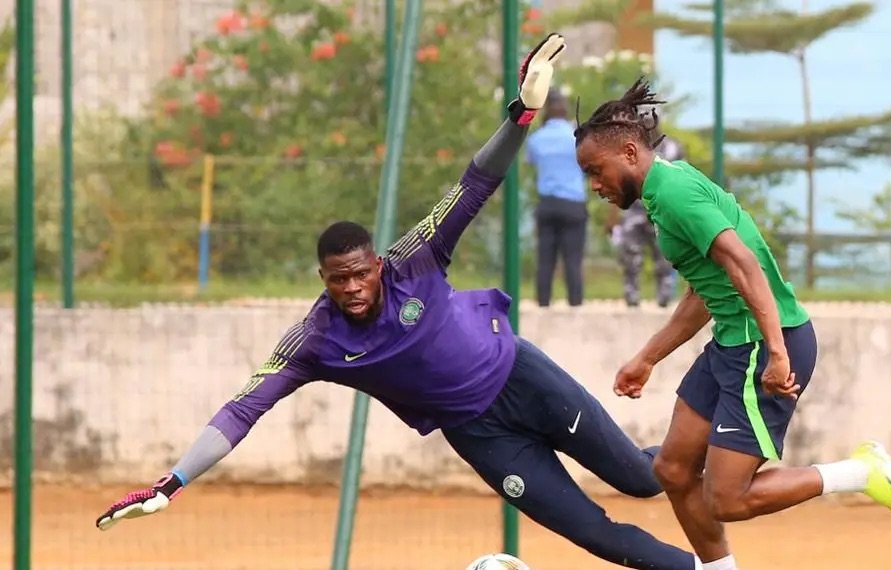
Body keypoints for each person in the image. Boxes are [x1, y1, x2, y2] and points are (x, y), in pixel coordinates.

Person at [95, 36, 700, 570]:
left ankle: (726, 453)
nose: (352, 288)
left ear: (376, 266)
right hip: (480, 436)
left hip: (523, 376)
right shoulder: (315, 341)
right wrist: (172, 482)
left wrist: (521, 118)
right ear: (323, 280)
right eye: (338, 281)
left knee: (643, 479)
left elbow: (474, 184)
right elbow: (240, 410)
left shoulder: (415, 258)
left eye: (359, 275)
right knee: (593, 534)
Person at [574, 78, 891, 570]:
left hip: (762, 346)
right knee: (672, 468)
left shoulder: (673, 194)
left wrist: (777, 352)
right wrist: (648, 357)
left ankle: (860, 473)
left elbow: (745, 265)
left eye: (596, 170)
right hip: (734, 344)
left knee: (727, 499)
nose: (594, 185)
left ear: (629, 152)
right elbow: (707, 290)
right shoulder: (661, 192)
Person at [526, 86, 588, 307]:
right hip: (573, 204)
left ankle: (543, 304)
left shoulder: (536, 139)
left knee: (545, 259)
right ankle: (575, 304)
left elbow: (531, 161)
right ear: (565, 109)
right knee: (573, 259)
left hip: (548, 203)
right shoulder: (577, 137)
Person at [605, 134, 681, 308]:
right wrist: (613, 214)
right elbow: (619, 182)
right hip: (634, 210)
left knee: (665, 255)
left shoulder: (672, 148)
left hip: (662, 210)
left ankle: (665, 297)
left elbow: (681, 178)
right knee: (631, 256)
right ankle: (631, 296)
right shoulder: (629, 149)